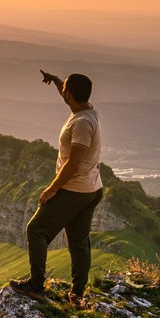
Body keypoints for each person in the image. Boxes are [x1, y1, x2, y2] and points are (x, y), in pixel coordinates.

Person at [10, 71, 103, 304]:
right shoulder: (88, 110)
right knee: (79, 241)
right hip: (91, 189)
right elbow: (68, 92)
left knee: (36, 229)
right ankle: (77, 295)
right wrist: (55, 80)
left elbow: (74, 162)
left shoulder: (81, 123)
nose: (63, 93)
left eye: (65, 90)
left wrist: (52, 189)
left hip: (74, 189)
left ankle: (36, 286)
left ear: (70, 94)